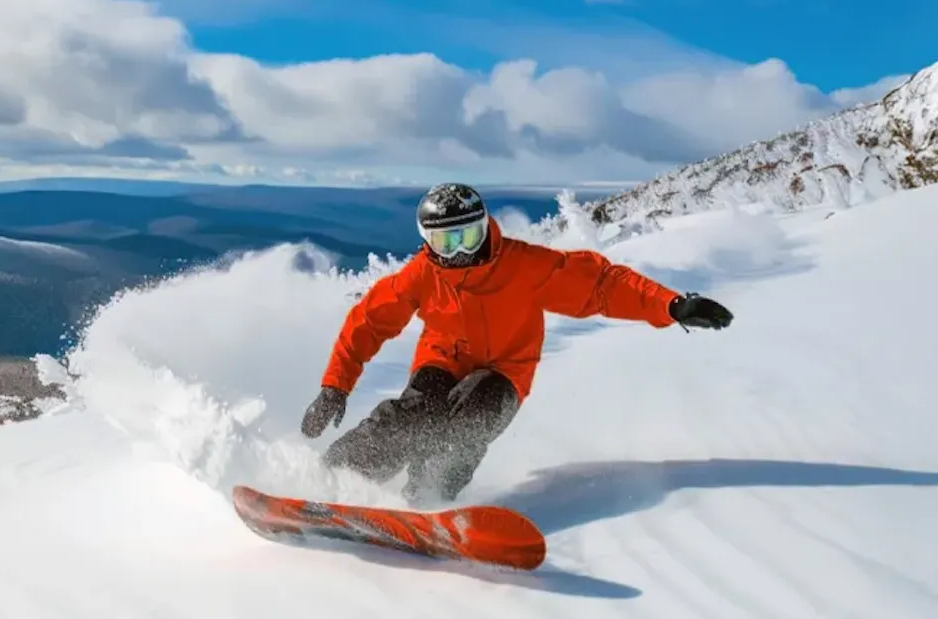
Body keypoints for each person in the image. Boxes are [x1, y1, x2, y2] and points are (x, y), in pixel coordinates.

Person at [300, 183, 733, 505]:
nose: (457, 254)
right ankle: (333, 480)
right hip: (442, 360)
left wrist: (671, 305)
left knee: (468, 421)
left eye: (466, 237)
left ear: (484, 227)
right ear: (426, 242)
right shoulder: (423, 273)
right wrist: (334, 386)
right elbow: (370, 320)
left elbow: (600, 285)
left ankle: (426, 498)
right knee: (409, 418)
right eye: (443, 243)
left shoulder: (524, 266)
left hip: (505, 371)